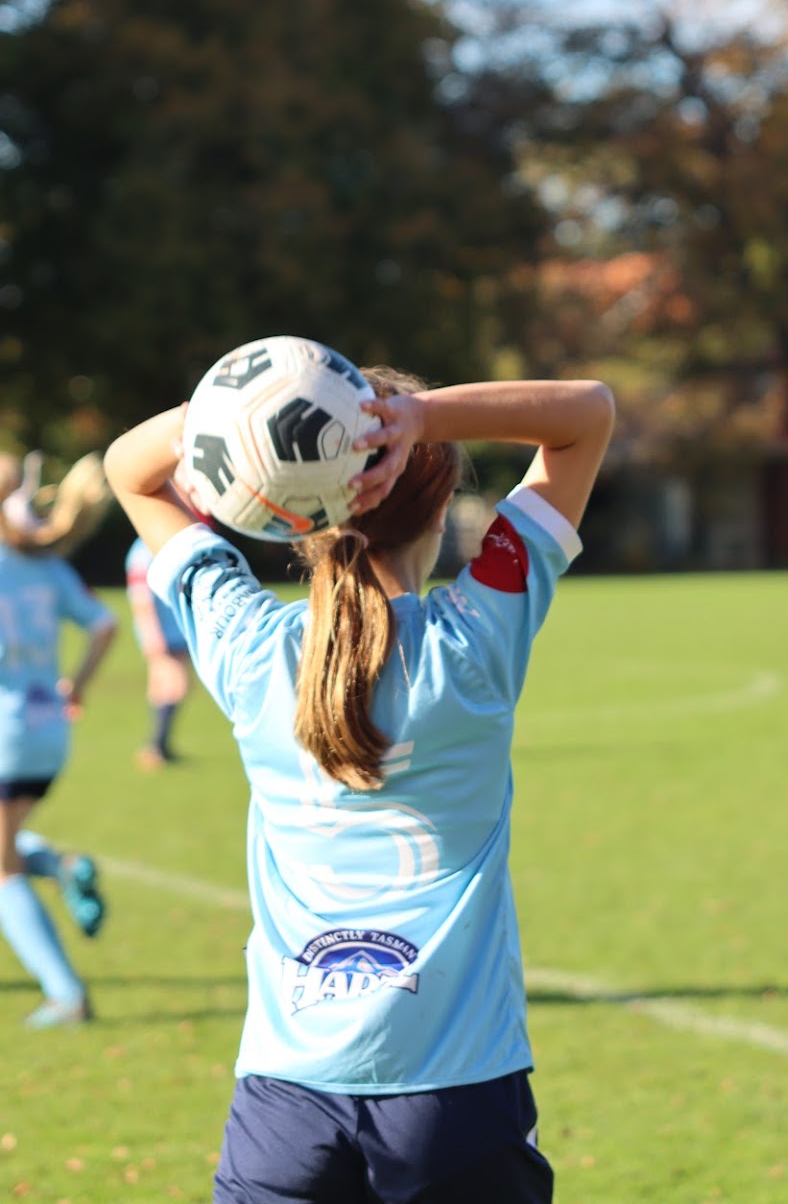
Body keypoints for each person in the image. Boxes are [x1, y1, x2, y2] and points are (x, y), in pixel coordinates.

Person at [104, 368, 614, 1204]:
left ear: (291, 515)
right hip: (455, 1098)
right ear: (441, 498)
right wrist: (414, 417)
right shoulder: (477, 640)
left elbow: (131, 468)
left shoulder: (246, 643)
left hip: (283, 1107)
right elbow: (586, 413)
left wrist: (245, 420)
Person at [0, 455, 117, 1027]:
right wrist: (76, 686)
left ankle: (66, 994)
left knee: (1, 870)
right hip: (47, 728)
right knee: (5, 846)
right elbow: (104, 624)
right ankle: (63, 865)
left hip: (5, 728)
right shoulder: (44, 564)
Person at [126, 533, 192, 768]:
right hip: (163, 632)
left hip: (176, 628)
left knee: (164, 686)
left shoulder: (164, 543)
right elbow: (140, 598)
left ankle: (159, 746)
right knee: (176, 686)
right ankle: (156, 746)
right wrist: (152, 634)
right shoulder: (142, 551)